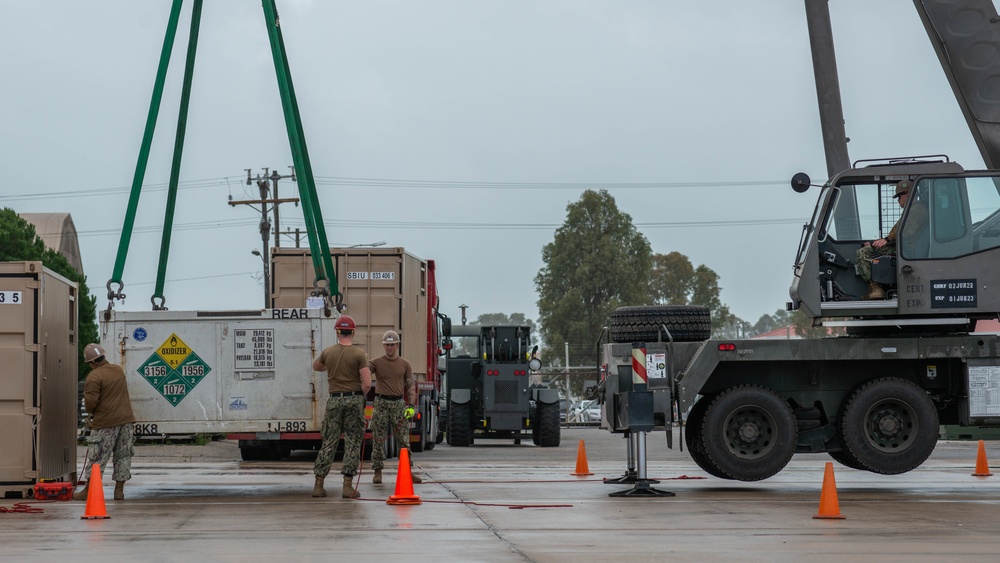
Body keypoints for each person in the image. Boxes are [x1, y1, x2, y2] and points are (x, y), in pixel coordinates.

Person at [312, 315, 372, 499]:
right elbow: (368, 383)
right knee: (353, 442)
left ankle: (319, 485)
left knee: (329, 441)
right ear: (353, 332)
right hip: (353, 399)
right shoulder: (359, 354)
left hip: (334, 400)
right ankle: (347, 486)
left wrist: (331, 367)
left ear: (337, 332)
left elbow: (316, 367)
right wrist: (358, 396)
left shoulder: (328, 352)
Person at [74, 343, 136, 501]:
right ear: (103, 356)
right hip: (126, 421)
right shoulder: (118, 370)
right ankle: (119, 491)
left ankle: (89, 490)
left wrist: (90, 413)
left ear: (91, 362)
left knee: (98, 458)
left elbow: (90, 404)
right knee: (123, 456)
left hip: (105, 423)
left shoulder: (94, 377)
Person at [855, 179, 929, 299]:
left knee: (863, 253)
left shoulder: (917, 210)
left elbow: (906, 232)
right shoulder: (911, 210)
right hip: (902, 247)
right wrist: (880, 241)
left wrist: (887, 240)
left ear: (908, 194)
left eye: (900, 196)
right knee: (869, 248)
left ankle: (876, 289)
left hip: (906, 251)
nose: (898, 200)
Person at [368, 330, 422, 485]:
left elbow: (411, 385)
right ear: (383, 346)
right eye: (387, 345)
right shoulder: (376, 362)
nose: (389, 348)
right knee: (378, 437)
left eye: (392, 345)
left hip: (398, 403)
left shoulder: (405, 364)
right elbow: (364, 373)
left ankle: (407, 471)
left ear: (397, 345)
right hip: (381, 402)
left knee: (403, 440)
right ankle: (377, 472)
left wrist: (411, 404)